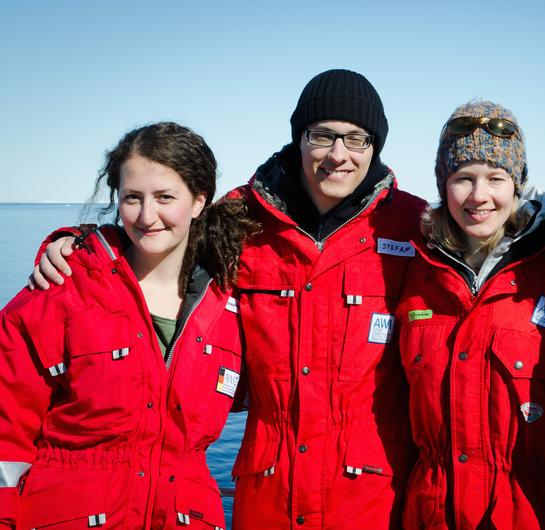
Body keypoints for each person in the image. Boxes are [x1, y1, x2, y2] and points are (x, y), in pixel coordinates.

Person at [31, 70, 427, 529]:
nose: (338, 155)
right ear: (299, 138)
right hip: (269, 495)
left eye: (356, 139)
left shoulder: (414, 228)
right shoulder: (240, 220)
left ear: (375, 145)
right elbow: (157, 233)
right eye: (322, 136)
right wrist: (73, 245)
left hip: (372, 498)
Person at [0, 122, 256, 528]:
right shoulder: (64, 287)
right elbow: (6, 424)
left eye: (165, 197)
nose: (146, 216)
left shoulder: (229, 307)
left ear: (198, 201)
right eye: (132, 198)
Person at [397, 101, 545, 529]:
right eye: (463, 179)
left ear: (517, 185)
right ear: (443, 185)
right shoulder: (415, 273)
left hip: (531, 514)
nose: (479, 196)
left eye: (496, 178)